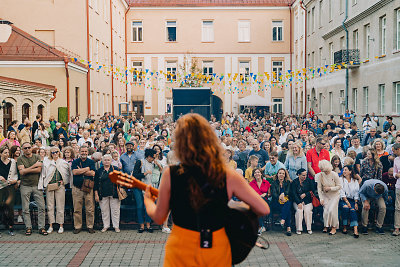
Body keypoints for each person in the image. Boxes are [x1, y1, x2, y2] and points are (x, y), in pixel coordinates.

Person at [143, 114, 269, 267]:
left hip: (181, 247)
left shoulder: (171, 174)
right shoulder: (227, 174)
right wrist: (233, 209)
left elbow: (159, 217)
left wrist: (149, 202)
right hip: (216, 245)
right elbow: (263, 208)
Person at [39, 147, 71, 234]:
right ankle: (51, 225)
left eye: (56, 152)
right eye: (53, 152)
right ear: (50, 153)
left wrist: (63, 181)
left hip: (60, 186)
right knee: (50, 206)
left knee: (60, 206)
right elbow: (43, 175)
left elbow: (67, 174)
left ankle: (61, 225)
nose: (55, 154)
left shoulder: (64, 162)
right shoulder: (46, 162)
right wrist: (43, 185)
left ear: (59, 152)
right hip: (49, 186)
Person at [17, 142, 46, 236]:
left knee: (41, 207)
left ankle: (41, 227)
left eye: (29, 147)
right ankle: (28, 227)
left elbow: (39, 170)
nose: (27, 149)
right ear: (22, 149)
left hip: (37, 185)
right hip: (25, 185)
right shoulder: (20, 159)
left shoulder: (37, 157)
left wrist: (26, 170)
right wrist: (33, 166)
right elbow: (22, 173)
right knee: (25, 208)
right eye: (25, 148)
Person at [71, 146, 96, 234]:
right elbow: (74, 172)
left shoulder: (91, 162)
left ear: (88, 152)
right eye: (82, 151)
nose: (84, 153)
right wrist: (86, 169)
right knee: (77, 208)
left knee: (90, 208)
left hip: (88, 188)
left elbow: (92, 173)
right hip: (77, 188)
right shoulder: (75, 161)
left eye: (85, 151)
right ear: (79, 152)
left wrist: (80, 170)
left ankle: (90, 226)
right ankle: (78, 226)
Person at [94, 154, 121, 233]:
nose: (106, 161)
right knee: (104, 211)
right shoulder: (99, 171)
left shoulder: (115, 169)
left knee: (115, 210)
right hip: (102, 193)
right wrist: (96, 194)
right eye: (105, 160)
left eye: (108, 160)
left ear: (111, 161)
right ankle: (106, 225)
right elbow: (95, 184)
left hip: (114, 193)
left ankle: (116, 226)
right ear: (102, 161)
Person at [133, 148, 157, 233]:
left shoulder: (153, 164)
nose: (154, 159)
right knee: (140, 206)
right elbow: (134, 175)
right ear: (149, 156)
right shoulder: (140, 162)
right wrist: (144, 174)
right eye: (153, 157)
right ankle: (141, 225)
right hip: (138, 187)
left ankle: (148, 224)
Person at [316, 160, 342, 235]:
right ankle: (326, 226)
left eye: (325, 171)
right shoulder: (320, 175)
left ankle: (334, 227)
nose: (324, 172)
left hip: (334, 195)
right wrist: (321, 198)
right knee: (326, 211)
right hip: (325, 195)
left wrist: (330, 188)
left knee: (332, 210)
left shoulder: (334, 174)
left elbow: (339, 186)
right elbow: (319, 188)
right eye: (322, 170)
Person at [0, 145, 18, 236]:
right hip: (0, 186)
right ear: (1, 153)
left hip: (9, 185)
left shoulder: (13, 162)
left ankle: (11, 226)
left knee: (9, 206)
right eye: (5, 153)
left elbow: (15, 174)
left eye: (8, 152)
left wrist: (15, 180)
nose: (7, 154)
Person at [291, 168, 314, 235]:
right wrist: (299, 202)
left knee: (307, 211)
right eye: (303, 175)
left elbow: (312, 191)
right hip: (297, 201)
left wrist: (305, 195)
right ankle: (299, 229)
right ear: (298, 175)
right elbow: (293, 194)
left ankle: (309, 228)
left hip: (307, 201)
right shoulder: (294, 182)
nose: (305, 177)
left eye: (305, 175)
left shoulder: (309, 181)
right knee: (299, 211)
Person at [339, 165, 360, 238]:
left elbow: (356, 193)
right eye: (343, 170)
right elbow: (341, 192)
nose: (344, 171)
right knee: (345, 208)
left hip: (352, 200)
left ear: (350, 171)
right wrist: (347, 202)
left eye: (346, 170)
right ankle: (344, 226)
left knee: (353, 209)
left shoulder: (355, 181)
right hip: (343, 199)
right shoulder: (340, 179)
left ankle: (355, 229)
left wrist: (356, 203)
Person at [270, 168, 292, 236]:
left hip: (285, 201)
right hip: (276, 202)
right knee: (287, 208)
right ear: (277, 174)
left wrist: (283, 194)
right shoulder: (274, 183)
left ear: (285, 175)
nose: (281, 175)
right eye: (280, 173)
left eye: (283, 173)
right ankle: (288, 227)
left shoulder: (287, 182)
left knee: (287, 204)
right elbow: (273, 193)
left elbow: (288, 191)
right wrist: (280, 196)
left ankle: (283, 220)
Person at [249, 168, 271, 235]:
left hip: (265, 201)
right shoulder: (251, 183)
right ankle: (262, 226)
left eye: (258, 172)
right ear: (254, 175)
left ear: (261, 174)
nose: (257, 174)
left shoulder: (266, 182)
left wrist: (266, 194)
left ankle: (261, 226)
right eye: (255, 173)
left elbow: (270, 194)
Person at [391, 143, 400, 236]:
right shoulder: (396, 160)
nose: (393, 152)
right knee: (398, 207)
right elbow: (394, 173)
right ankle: (397, 227)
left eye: (394, 151)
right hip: (398, 186)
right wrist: (397, 175)